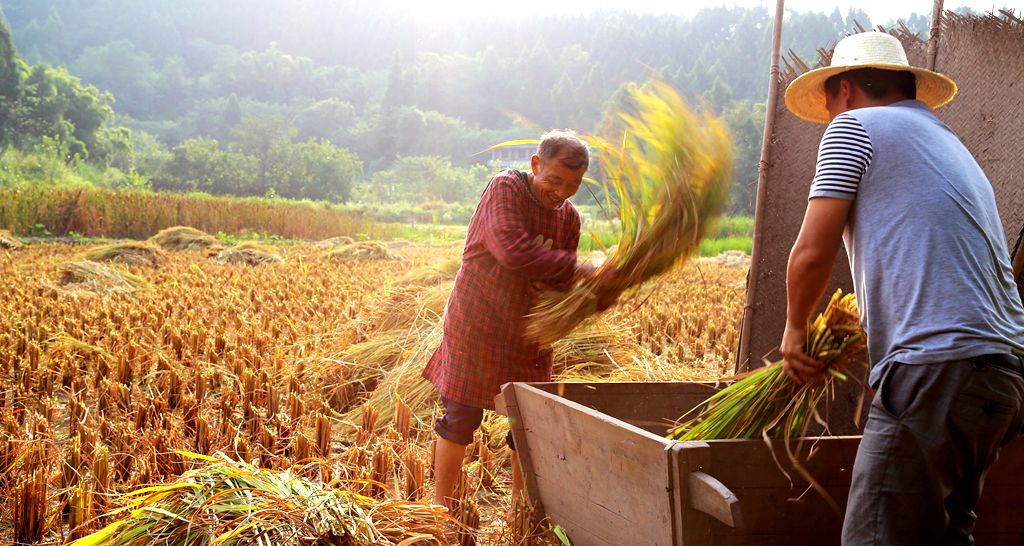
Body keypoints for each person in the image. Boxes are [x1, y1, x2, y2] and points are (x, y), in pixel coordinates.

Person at [780, 32, 1024, 544]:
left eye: (828, 99)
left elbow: (811, 252)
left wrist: (794, 330)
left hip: (938, 370)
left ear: (844, 90)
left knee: (874, 538)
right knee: (945, 534)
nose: (828, 114)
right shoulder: (943, 141)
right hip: (1001, 375)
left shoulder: (855, 126)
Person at [423, 130, 609, 512]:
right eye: (554, 180)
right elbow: (511, 249)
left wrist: (595, 292)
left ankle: (520, 511)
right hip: (476, 321)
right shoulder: (505, 188)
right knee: (460, 416)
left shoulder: (569, 219)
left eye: (572, 185)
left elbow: (558, 281)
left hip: (528, 333)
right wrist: (582, 270)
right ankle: (442, 510)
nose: (560, 192)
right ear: (536, 165)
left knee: (530, 424)